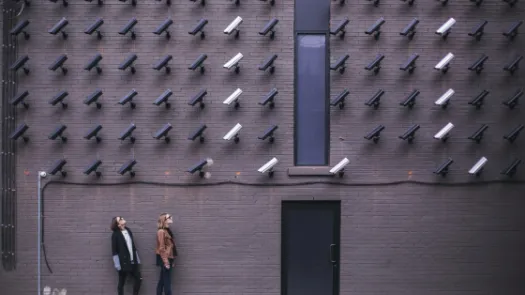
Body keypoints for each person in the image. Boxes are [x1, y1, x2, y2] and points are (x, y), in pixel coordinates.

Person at [111, 216, 142, 295]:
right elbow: (114, 251)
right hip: (123, 263)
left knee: (139, 279)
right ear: (118, 224)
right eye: (120, 219)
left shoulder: (128, 230)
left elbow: (132, 246)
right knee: (121, 283)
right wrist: (117, 265)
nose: (122, 218)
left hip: (132, 261)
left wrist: (137, 258)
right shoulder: (115, 235)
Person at [156, 213, 178, 295]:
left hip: (169, 257)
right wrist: (166, 261)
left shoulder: (167, 230)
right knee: (167, 281)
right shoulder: (161, 231)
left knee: (162, 280)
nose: (171, 217)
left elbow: (171, 246)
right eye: (169, 217)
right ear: (164, 220)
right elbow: (161, 248)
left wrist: (173, 259)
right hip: (165, 258)